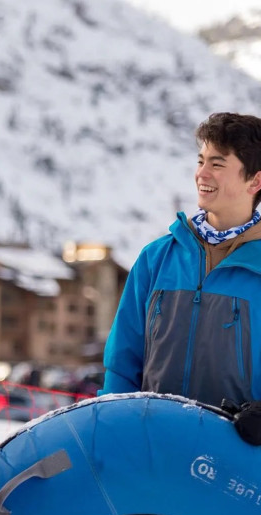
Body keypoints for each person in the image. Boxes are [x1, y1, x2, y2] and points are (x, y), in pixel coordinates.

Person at [100, 112, 261, 445]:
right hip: (151, 446)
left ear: (255, 181)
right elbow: (122, 362)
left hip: (239, 457)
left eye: (218, 164)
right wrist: (112, 430)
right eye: (201, 161)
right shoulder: (156, 258)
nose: (201, 173)